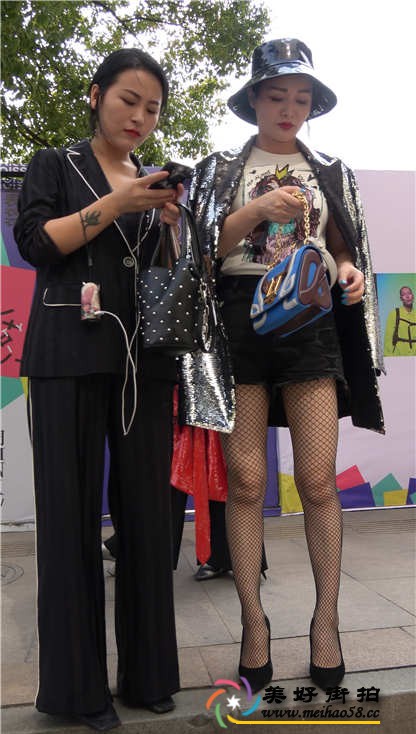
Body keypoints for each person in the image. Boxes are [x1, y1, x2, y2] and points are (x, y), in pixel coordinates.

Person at [188, 38, 385, 693]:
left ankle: (326, 624)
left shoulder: (330, 169)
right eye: (277, 95)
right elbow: (199, 249)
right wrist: (255, 211)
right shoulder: (221, 168)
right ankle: (254, 624)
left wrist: (349, 272)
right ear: (254, 99)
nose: (289, 108)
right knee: (246, 482)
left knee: (319, 480)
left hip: (310, 321)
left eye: (301, 98)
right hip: (238, 319)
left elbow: (344, 247)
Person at [14, 48, 182, 730]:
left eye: (152, 109)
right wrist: (117, 203)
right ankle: (76, 691)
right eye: (128, 101)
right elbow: (37, 244)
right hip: (66, 354)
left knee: (147, 517)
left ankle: (148, 675)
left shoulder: (154, 183)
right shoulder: (55, 164)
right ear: (95, 96)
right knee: (68, 518)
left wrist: (172, 227)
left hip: (143, 361)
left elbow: (168, 274)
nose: (140, 117)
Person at [383, 285, 416, 355]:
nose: (407, 296)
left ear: (413, 296)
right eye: (404, 294)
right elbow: (388, 339)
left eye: (409, 293)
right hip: (398, 355)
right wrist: (388, 358)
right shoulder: (394, 314)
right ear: (401, 298)